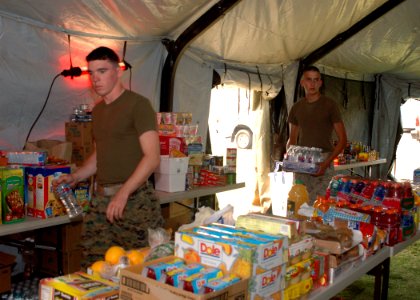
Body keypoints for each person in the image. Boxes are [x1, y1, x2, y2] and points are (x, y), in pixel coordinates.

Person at [54, 46, 164, 268]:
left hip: (134, 202)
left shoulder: (138, 105)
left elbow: (152, 157)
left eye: (102, 71)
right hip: (102, 200)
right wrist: (76, 177)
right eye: (92, 73)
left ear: (118, 71)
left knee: (138, 268)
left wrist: (123, 193)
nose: (96, 79)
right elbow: (100, 154)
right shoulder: (98, 111)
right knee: (95, 266)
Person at [286, 65, 347, 204]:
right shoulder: (296, 107)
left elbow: (343, 140)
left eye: (316, 80)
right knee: (298, 205)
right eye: (309, 79)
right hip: (301, 162)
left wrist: (325, 164)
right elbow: (292, 139)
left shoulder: (330, 105)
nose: (312, 84)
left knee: (320, 208)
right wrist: (289, 158)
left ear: (320, 83)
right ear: (302, 83)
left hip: (323, 160)